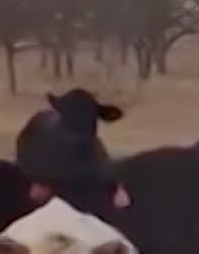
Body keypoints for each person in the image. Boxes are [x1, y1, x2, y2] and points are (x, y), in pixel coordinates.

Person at [15, 88, 131, 221]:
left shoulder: (92, 145)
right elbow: (27, 157)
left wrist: (115, 188)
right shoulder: (42, 133)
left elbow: (103, 170)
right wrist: (36, 180)